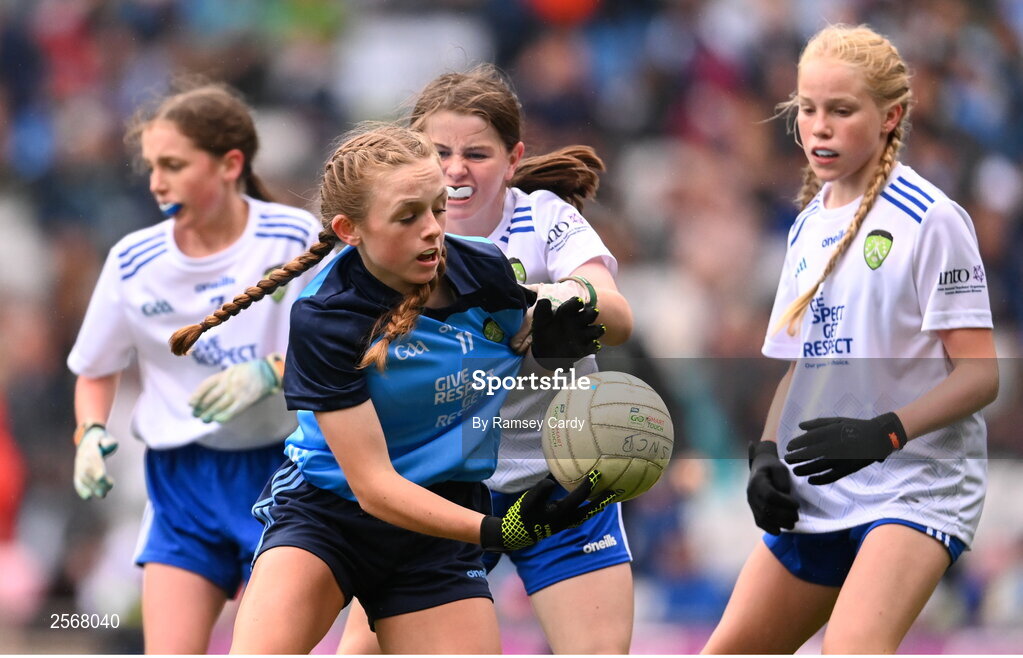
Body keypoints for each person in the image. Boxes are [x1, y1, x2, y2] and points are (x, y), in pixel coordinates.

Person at [169, 123, 616, 654]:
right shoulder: (326, 318)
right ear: (349, 229)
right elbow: (374, 487)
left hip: (440, 527)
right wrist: (499, 531)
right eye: (408, 216)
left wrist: (555, 331)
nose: (433, 230)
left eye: (438, 208)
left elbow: (528, 338)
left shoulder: (485, 270)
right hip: (327, 516)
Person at [702, 24, 998, 654]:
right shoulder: (806, 227)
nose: (819, 127)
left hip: (915, 488)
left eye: (841, 110)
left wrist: (885, 431)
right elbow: (796, 372)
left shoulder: (932, 219)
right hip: (822, 490)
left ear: (890, 116)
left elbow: (981, 375)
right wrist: (765, 459)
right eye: (807, 109)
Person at [338, 64, 636, 655]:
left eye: (476, 153)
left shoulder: (545, 217)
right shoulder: (393, 237)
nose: (454, 170)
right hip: (439, 485)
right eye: (437, 151)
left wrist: (564, 306)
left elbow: (617, 314)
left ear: (513, 156)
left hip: (560, 479)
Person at [66, 83, 327, 653]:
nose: (157, 182)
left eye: (175, 166)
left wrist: (271, 371)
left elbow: (343, 348)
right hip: (182, 484)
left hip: (286, 475)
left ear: (231, 164)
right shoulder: (134, 261)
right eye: (153, 167)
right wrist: (89, 434)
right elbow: (95, 368)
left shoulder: (294, 238)